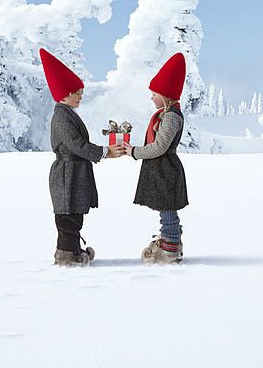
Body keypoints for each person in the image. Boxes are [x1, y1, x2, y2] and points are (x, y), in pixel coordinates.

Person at [40, 48, 124, 267]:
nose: (80, 96)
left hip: (75, 172)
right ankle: (68, 255)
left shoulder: (67, 114)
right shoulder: (61, 116)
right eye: (77, 92)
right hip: (68, 174)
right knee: (67, 213)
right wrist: (105, 152)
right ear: (65, 93)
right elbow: (76, 145)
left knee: (74, 212)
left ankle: (72, 251)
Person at [122, 53, 190, 264]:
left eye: (154, 94)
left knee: (168, 207)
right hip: (161, 169)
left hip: (165, 170)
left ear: (165, 94)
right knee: (165, 207)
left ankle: (169, 247)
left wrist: (133, 151)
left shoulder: (170, 117)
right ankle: (170, 243)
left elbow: (159, 147)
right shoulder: (165, 115)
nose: (151, 97)